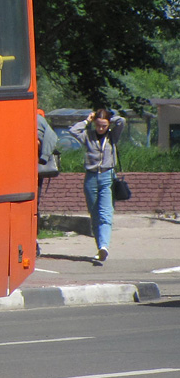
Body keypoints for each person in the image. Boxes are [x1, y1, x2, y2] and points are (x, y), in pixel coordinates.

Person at [68, 108, 126, 263]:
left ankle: (104, 246)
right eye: (98, 125)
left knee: (106, 213)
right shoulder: (88, 135)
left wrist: (110, 118)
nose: (101, 128)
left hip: (107, 176)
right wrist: (88, 120)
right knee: (94, 215)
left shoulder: (112, 136)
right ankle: (100, 247)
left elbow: (122, 122)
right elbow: (74, 130)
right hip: (91, 178)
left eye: (104, 125)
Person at [36, 109, 60, 257]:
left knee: (32, 205)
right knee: (33, 205)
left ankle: (33, 242)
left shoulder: (36, 118)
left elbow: (51, 137)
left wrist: (44, 156)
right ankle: (33, 242)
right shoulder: (38, 118)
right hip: (34, 167)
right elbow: (51, 137)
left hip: (32, 167)